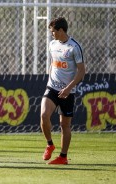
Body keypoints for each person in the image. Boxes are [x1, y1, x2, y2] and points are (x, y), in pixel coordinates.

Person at [40, 17, 85, 165]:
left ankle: (63, 157)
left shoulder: (74, 47)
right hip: (52, 87)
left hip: (68, 92)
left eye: (53, 31)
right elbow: (53, 64)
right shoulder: (52, 45)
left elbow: (81, 72)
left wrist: (68, 88)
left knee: (64, 125)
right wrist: (50, 79)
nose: (51, 34)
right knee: (44, 115)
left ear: (61, 30)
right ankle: (49, 144)